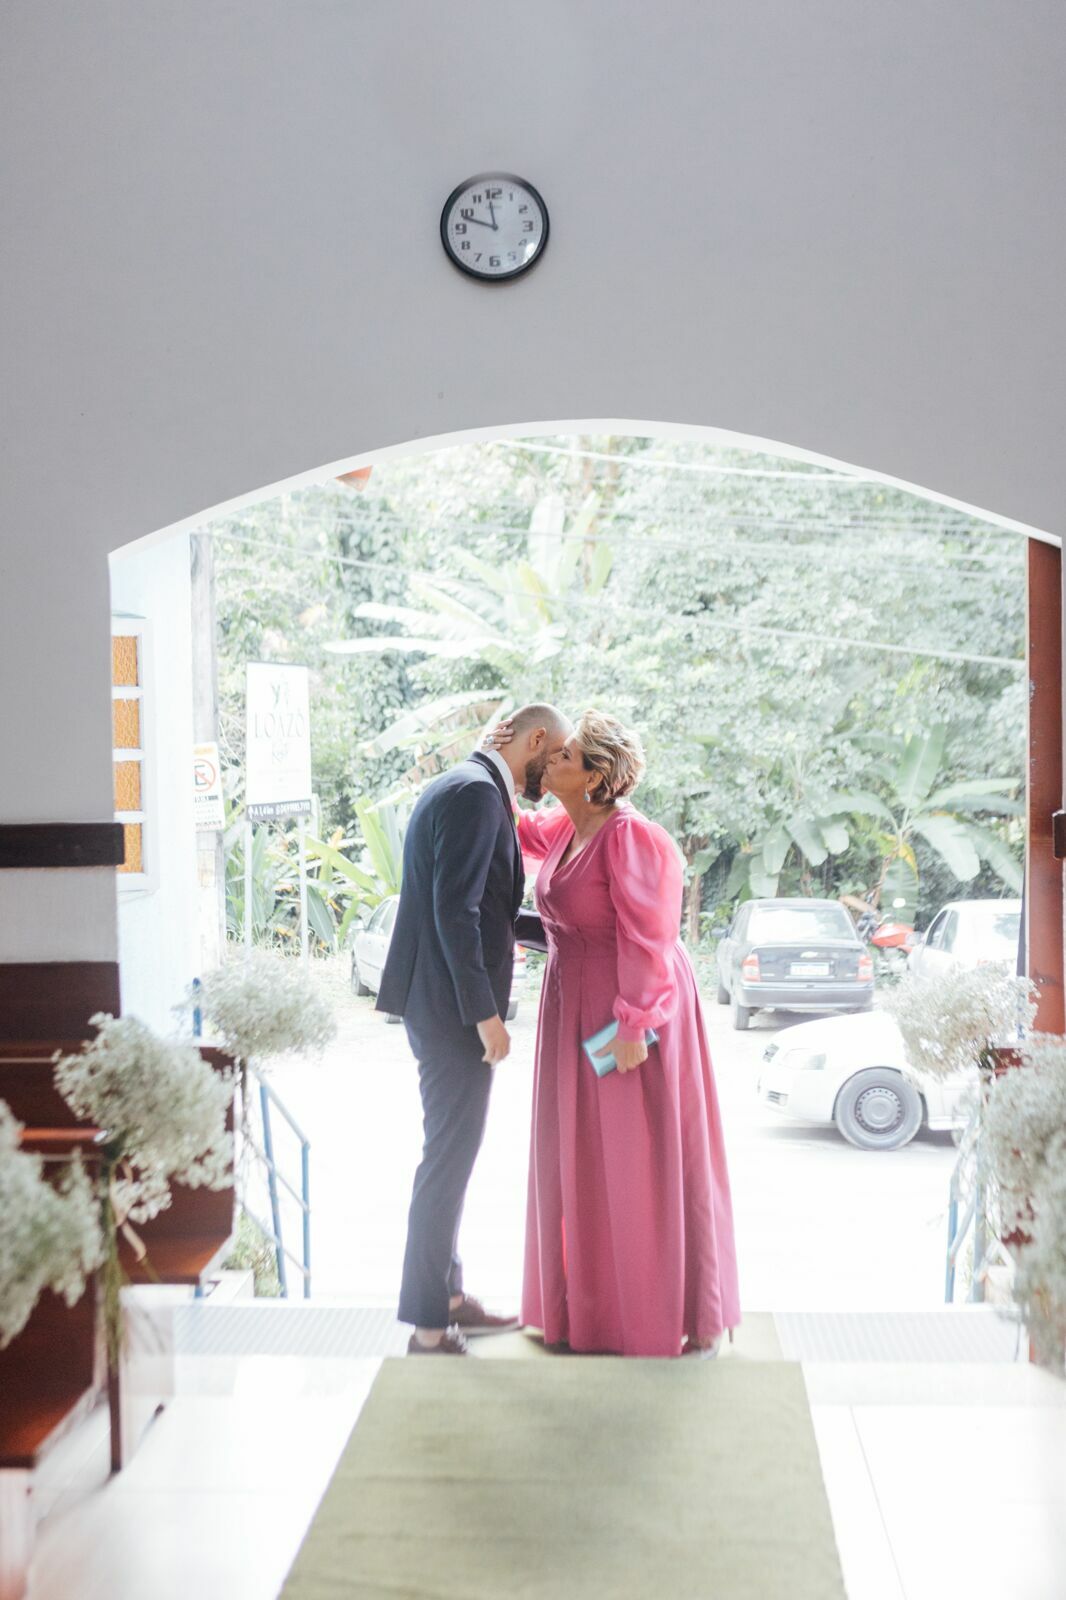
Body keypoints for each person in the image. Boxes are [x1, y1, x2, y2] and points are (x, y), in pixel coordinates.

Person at [486, 709, 741, 1357]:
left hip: (630, 1005)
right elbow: (514, 826)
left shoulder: (632, 837)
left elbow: (650, 938)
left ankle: (652, 1312)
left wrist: (635, 1021)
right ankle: (590, 1310)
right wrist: (490, 756)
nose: (554, 762)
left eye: (566, 755)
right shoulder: (567, 828)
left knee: (635, 1156)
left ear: (596, 776)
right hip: (573, 1000)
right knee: (582, 1153)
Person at [378, 702, 572, 1355]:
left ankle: (450, 1297)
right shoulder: (476, 797)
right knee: (446, 1163)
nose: (558, 768)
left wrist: (562, 935)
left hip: (435, 1003)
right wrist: (484, 1014)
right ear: (536, 739)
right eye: (559, 753)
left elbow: (483, 909)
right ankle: (430, 1328)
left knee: (450, 1159)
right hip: (449, 1012)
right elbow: (453, 915)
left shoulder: (468, 787)